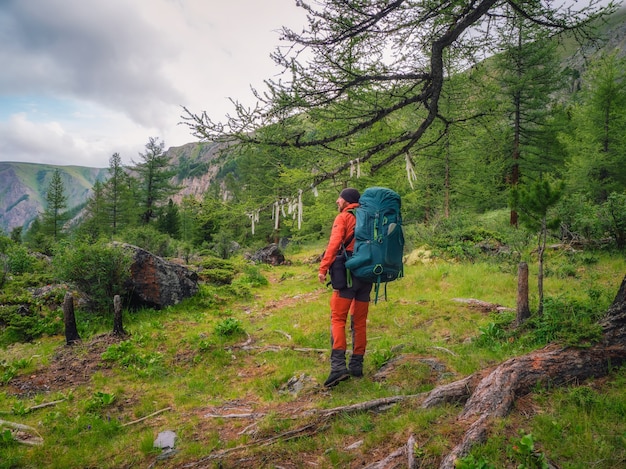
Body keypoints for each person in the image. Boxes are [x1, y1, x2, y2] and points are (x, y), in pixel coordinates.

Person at [318, 188, 373, 387]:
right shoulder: (368, 217)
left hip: (348, 274)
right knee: (359, 321)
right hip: (366, 275)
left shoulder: (344, 218)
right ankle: (357, 366)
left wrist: (323, 268)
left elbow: (334, 244)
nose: (337, 201)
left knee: (338, 318)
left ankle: (338, 367)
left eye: (339, 198)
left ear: (346, 201)